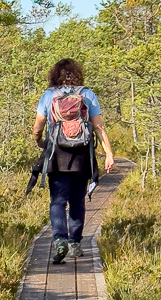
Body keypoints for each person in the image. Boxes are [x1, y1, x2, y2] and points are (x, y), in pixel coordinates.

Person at [32, 58, 114, 263]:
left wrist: (39, 141)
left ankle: (60, 240)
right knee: (77, 199)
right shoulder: (87, 94)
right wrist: (109, 153)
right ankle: (75, 243)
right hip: (82, 155)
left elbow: (37, 127)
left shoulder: (49, 95)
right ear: (77, 74)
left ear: (55, 75)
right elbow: (99, 126)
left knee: (58, 200)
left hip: (56, 154)